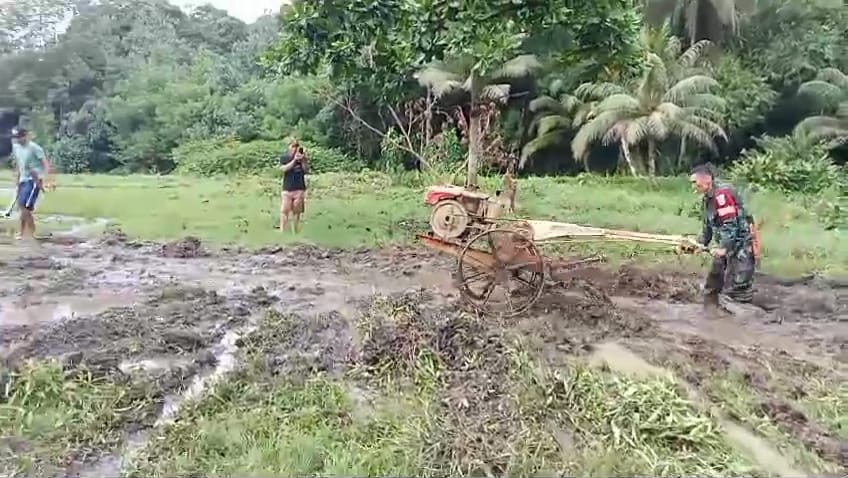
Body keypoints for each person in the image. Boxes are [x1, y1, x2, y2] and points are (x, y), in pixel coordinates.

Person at [688, 164, 756, 311]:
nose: (693, 186)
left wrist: (724, 248)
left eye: (695, 182)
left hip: (740, 247)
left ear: (706, 180)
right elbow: (708, 226)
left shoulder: (721, 195)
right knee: (713, 282)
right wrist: (699, 243)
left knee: (736, 290)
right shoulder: (707, 199)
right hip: (726, 245)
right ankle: (710, 315)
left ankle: (745, 324)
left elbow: (729, 224)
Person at [12, 128, 52, 240]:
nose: (17, 139)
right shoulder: (16, 148)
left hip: (34, 179)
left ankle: (32, 232)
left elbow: (45, 163)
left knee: (25, 207)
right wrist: (17, 178)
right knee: (21, 206)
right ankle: (24, 231)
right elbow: (19, 164)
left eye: (19, 137)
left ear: (25, 136)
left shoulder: (34, 148)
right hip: (23, 180)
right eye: (16, 137)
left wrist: (46, 178)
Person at [279, 141, 308, 233]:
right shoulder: (284, 158)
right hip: (287, 188)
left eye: (296, 147)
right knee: (284, 210)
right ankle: (282, 231)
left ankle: (295, 231)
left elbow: (306, 170)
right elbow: (284, 169)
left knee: (297, 211)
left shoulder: (303, 158)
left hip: (299, 188)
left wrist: (303, 160)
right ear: (289, 147)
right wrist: (294, 160)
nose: (294, 149)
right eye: (292, 147)